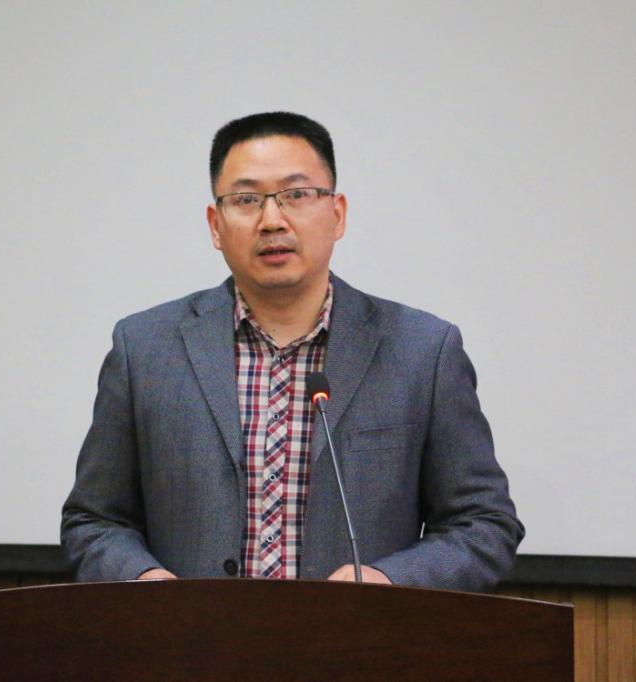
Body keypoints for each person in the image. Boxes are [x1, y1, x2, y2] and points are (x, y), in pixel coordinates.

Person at [61, 112, 523, 590]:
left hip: (355, 634)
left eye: (296, 195)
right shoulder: (145, 348)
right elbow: (94, 521)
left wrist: (389, 580)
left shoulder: (422, 351)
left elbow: (484, 525)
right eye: (246, 200)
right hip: (191, 635)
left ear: (337, 214)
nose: (272, 221)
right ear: (215, 225)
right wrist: (147, 583)